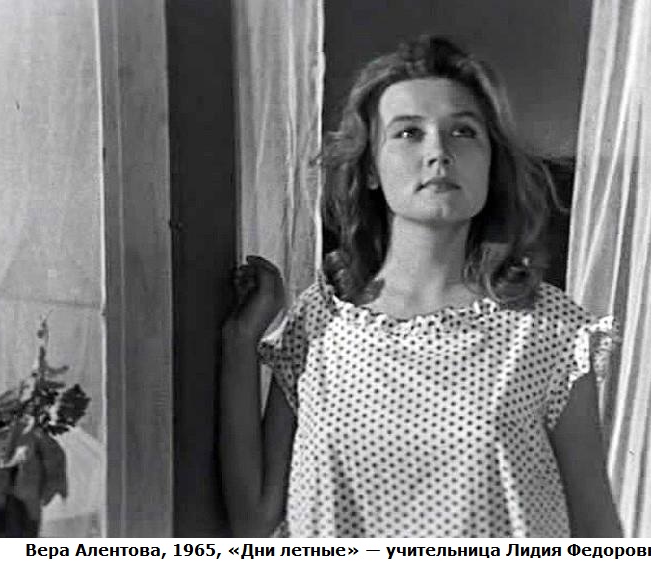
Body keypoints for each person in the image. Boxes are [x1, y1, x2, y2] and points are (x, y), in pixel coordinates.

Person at [221, 36, 623, 538]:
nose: (438, 152)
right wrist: (240, 340)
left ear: (491, 163)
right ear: (370, 166)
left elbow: (597, 531)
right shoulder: (320, 322)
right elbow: (254, 521)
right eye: (409, 133)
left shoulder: (551, 332)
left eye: (463, 132)